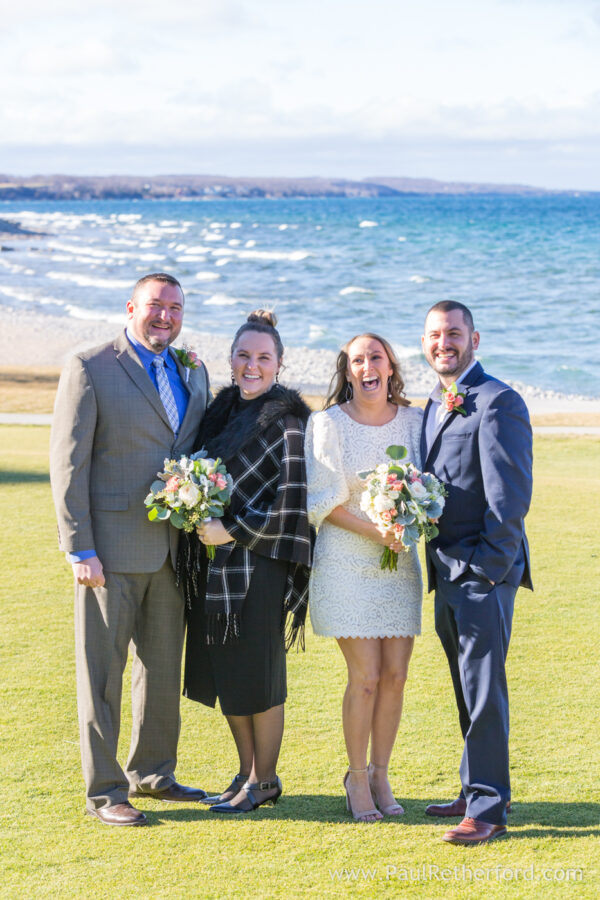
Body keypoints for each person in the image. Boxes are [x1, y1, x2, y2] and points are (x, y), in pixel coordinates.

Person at [49, 273, 211, 826]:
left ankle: (154, 773)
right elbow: (68, 464)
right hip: (109, 552)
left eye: (175, 307)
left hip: (173, 551)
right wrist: (79, 549)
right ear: (131, 308)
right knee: (102, 672)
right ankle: (105, 791)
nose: (164, 315)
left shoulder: (194, 370)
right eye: (155, 305)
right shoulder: (91, 366)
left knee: (162, 670)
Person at [180, 310, 313, 814]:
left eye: (263, 357)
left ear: (279, 364)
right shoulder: (218, 414)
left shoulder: (290, 421)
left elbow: (293, 502)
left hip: (263, 562)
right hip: (213, 563)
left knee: (259, 672)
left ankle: (265, 780)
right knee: (227, 667)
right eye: (243, 355)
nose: (252, 366)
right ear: (231, 360)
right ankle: (244, 772)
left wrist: (232, 529)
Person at [420, 300, 533, 845]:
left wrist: (487, 571)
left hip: (481, 571)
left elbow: (509, 499)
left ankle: (487, 809)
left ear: (475, 339)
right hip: (444, 568)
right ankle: (474, 788)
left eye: (454, 333)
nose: (445, 342)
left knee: (484, 688)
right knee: (465, 687)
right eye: (436, 334)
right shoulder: (432, 403)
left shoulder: (497, 401)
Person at [305, 333, 423, 822]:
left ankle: (381, 772)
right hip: (345, 564)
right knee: (368, 677)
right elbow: (322, 502)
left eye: (376, 357)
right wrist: (380, 531)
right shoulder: (327, 424)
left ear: (391, 367)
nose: (368, 366)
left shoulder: (416, 422)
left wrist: (411, 520)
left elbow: (428, 486)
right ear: (348, 370)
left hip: (400, 568)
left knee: (396, 676)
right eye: (358, 360)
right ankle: (355, 777)